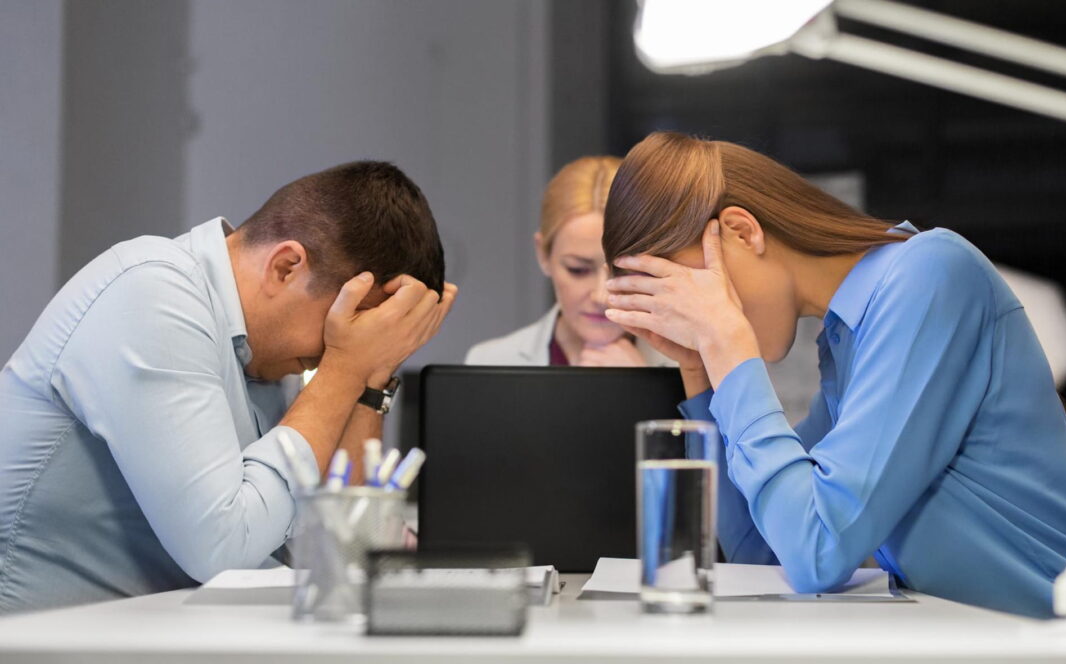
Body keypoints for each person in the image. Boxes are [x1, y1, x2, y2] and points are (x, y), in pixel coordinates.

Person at [601, 131, 1066, 618]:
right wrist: (700, 368)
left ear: (743, 232)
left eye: (693, 294)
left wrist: (726, 342)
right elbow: (762, 552)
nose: (699, 316)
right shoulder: (844, 341)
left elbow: (817, 550)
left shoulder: (929, 274)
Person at [0, 161, 457, 614]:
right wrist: (345, 368)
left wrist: (371, 379)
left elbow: (344, 560)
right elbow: (222, 548)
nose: (335, 348)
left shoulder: (276, 354)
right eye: (343, 326)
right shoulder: (153, 291)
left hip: (148, 645)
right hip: (34, 650)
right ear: (285, 267)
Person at [466, 156, 672, 367]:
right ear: (543, 254)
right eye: (578, 270)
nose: (601, 297)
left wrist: (642, 392)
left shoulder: (693, 366)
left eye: (623, 271)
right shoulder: (489, 362)